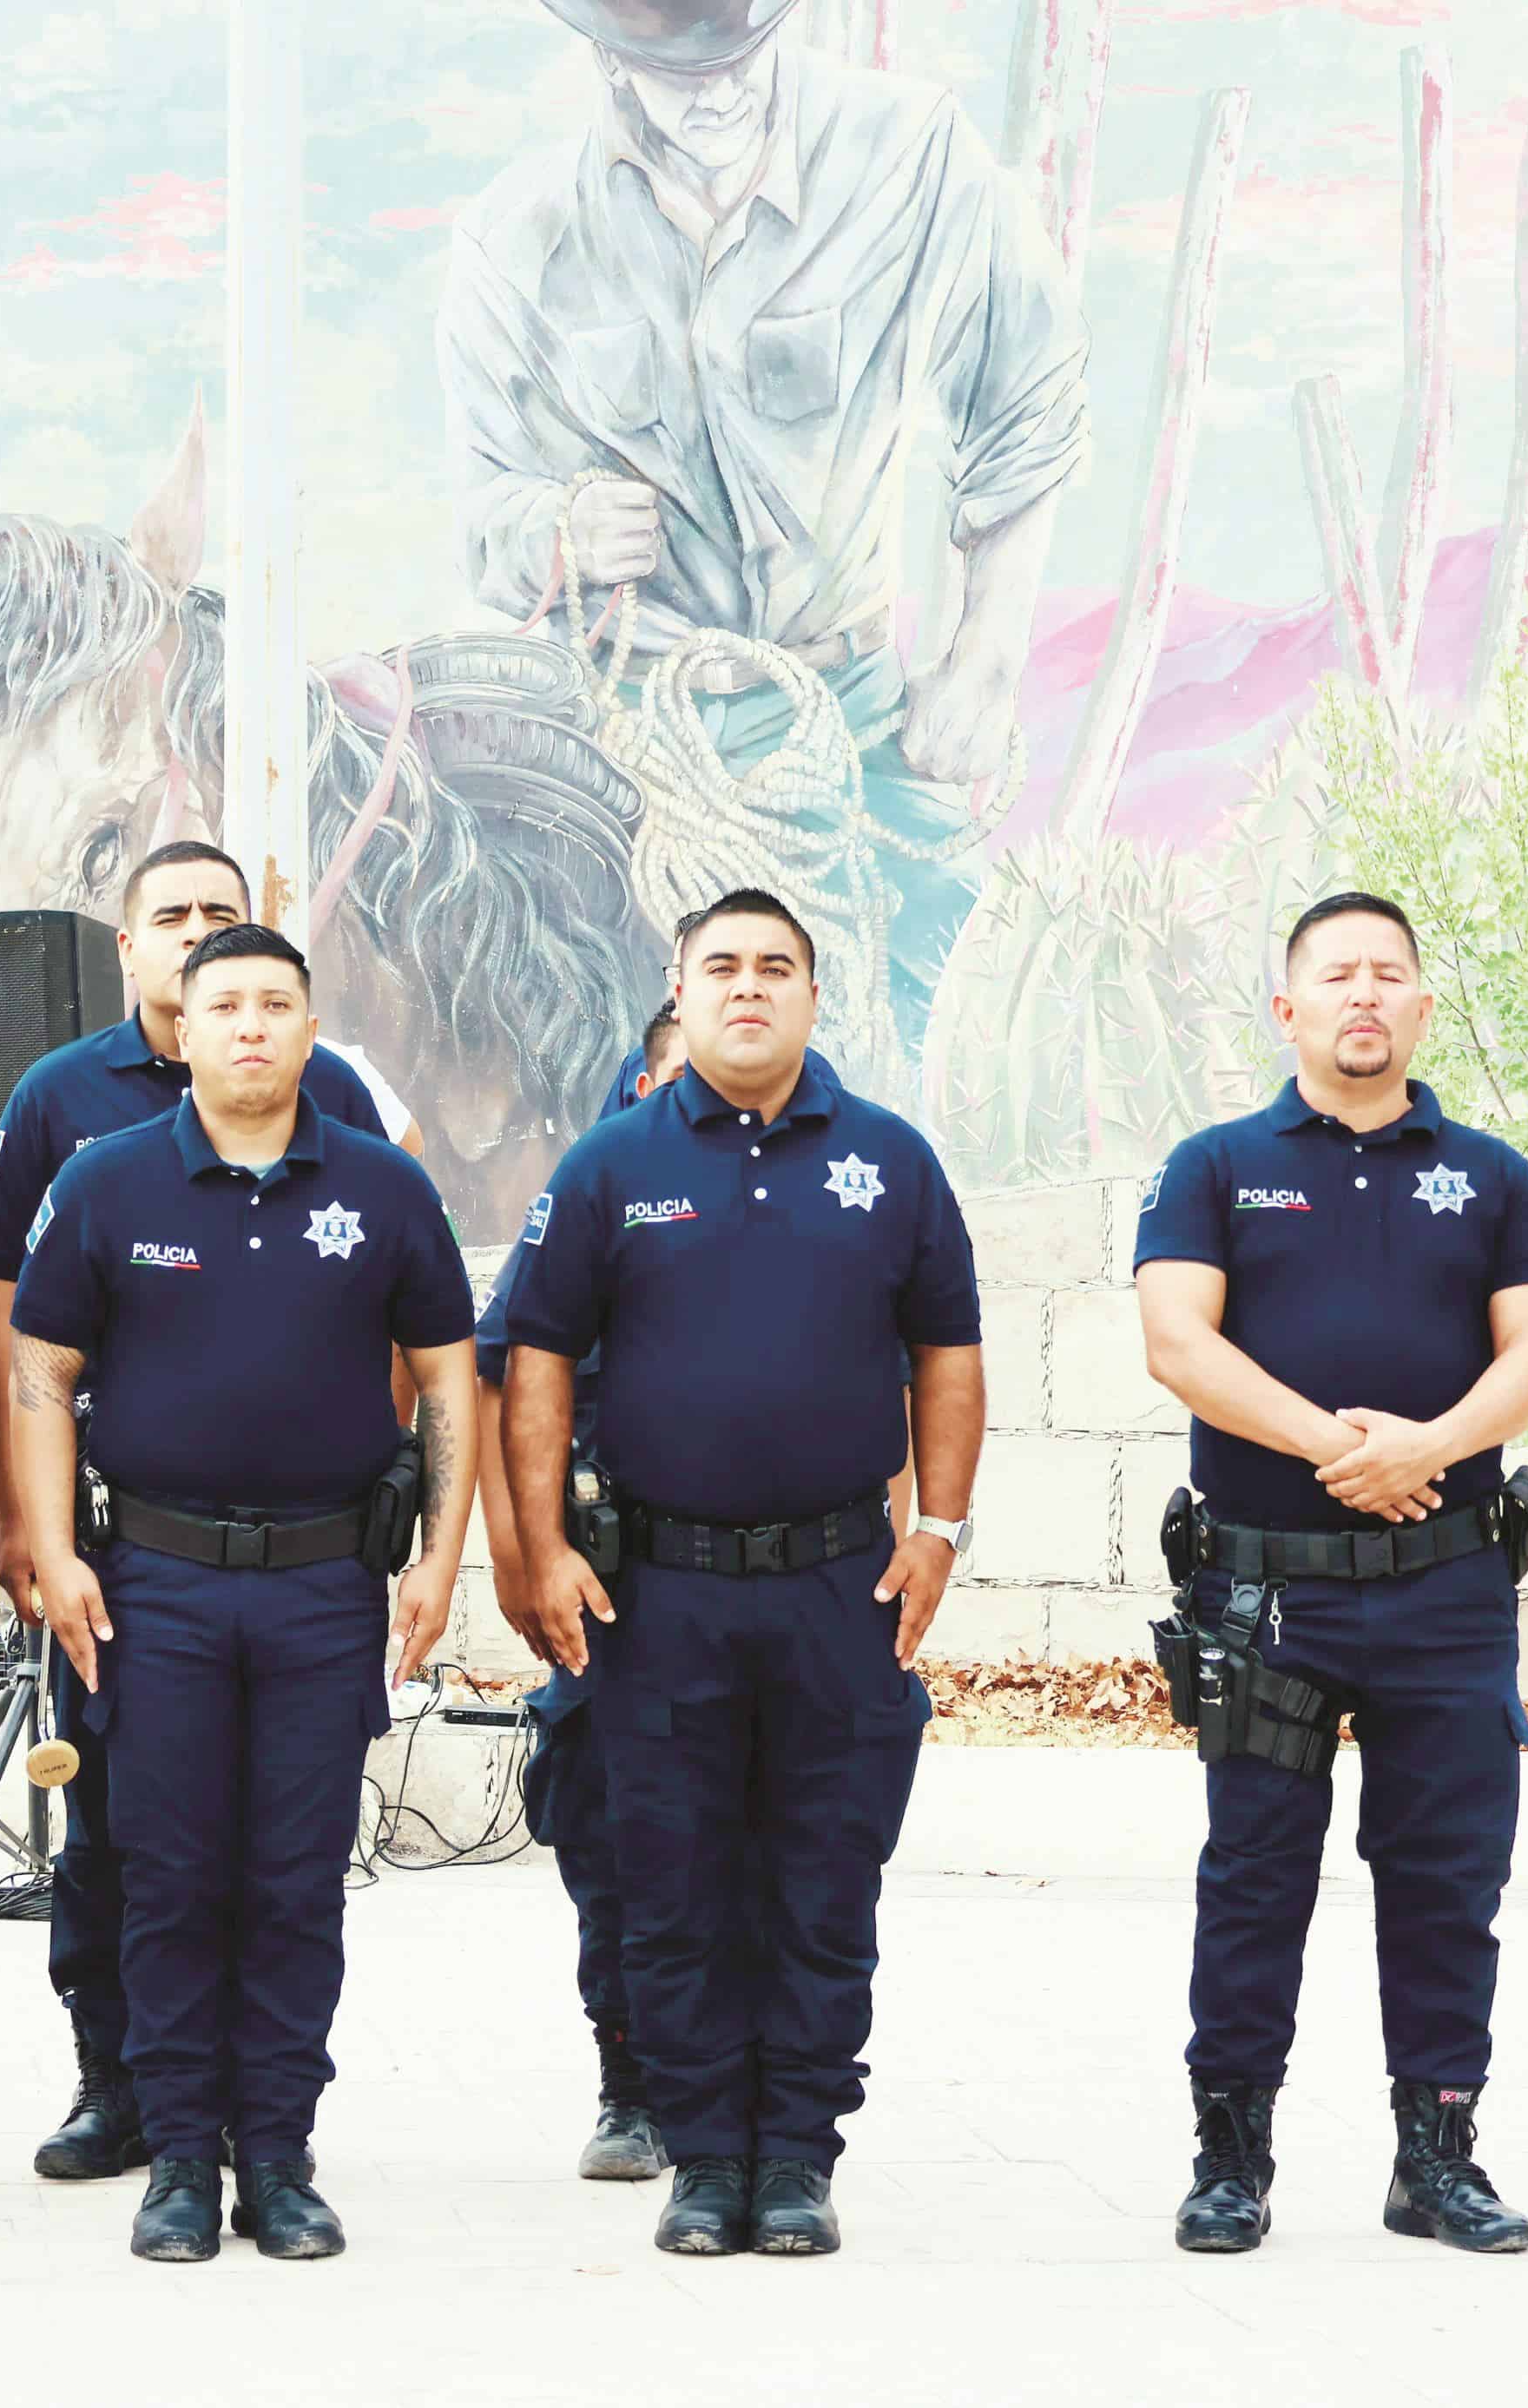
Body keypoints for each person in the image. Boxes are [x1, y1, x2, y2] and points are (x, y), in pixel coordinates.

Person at [444, 0, 1089, 1078]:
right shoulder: (516, 238)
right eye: (686, 68)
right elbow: (483, 515)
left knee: (937, 995)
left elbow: (1028, 390)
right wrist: (558, 528)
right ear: (611, 60)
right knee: (571, 1035)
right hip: (633, 747)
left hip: (846, 719)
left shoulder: (909, 157)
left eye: (743, 50)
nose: (727, 85)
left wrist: (986, 655)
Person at [504, 887, 982, 2259]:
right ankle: (706, 2156)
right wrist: (541, 1547)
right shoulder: (610, 1165)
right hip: (663, 1589)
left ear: (815, 998)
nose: (750, 987)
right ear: (682, 986)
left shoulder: (889, 1161)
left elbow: (948, 1347)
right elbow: (534, 1354)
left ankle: (800, 2157)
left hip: (842, 1579)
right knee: (675, 1876)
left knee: (824, 1875)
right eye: (724, 966)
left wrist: (939, 1527)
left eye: (778, 967)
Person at [7, 922, 478, 2263]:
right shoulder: (108, 1183)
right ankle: (176, 2154)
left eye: (278, 1004)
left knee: (291, 1877)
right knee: (165, 1874)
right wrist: (55, 1545)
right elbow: (39, 1368)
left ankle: (276, 2151)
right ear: (186, 1027)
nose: (253, 1026)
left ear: (310, 1029)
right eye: (228, 1005)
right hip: (153, 1585)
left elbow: (446, 1372)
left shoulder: (384, 1189)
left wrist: (440, 1558)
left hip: (328, 1584)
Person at [1130, 892, 1528, 2258]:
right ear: (1290, 1008)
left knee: (1447, 1875)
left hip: (1448, 1589)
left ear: (1423, 1006)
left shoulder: (1491, 1176)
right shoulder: (1215, 1164)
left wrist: (1430, 1449)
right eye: (1337, 975)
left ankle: (1437, 2157)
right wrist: (1341, 1449)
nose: (1364, 995)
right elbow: (1177, 1343)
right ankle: (1230, 2158)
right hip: (1268, 1593)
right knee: (1255, 1871)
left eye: (1389, 974)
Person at [0, 839, 398, 2182]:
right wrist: (23, 1522)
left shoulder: (333, 1096)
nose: (199, 935)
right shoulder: (59, 1099)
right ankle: (122, 2086)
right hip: (117, 1537)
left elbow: (398, 1302)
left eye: (223, 916)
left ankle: (260, 2128)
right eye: (172, 917)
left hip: (302, 1555)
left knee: (274, 1852)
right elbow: (2, 1316)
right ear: (135, 950)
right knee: (119, 1832)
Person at [472, 999, 685, 2183]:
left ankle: (748, 2079)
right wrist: (520, 1552)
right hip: (612, 1589)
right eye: (663, 1078)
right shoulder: (591, 1201)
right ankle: (631, 2077)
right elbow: (499, 1371)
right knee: (611, 1838)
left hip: (771, 1582)